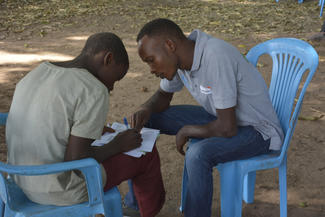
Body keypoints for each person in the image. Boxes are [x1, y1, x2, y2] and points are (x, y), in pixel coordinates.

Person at [130, 18, 284, 217]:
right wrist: (145, 108)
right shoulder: (180, 60)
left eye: (151, 60)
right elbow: (162, 97)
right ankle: (137, 206)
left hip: (258, 131)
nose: (151, 69)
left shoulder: (215, 56)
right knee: (147, 121)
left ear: (170, 46)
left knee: (197, 155)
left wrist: (189, 130)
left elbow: (227, 128)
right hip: (222, 117)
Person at [6, 32, 165, 217]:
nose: (112, 87)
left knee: (106, 137)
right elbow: (76, 160)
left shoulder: (37, 72)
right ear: (108, 59)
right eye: (116, 78)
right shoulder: (93, 89)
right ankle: (147, 212)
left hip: (18, 181)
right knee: (147, 154)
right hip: (60, 189)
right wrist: (117, 145)